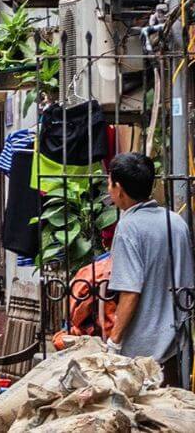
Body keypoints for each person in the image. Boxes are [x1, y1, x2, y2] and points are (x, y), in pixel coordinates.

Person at [107, 152, 195, 386]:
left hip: (140, 353)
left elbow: (130, 292)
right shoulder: (175, 222)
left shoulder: (128, 227)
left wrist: (114, 341)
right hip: (175, 346)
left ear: (119, 188)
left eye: (109, 182)